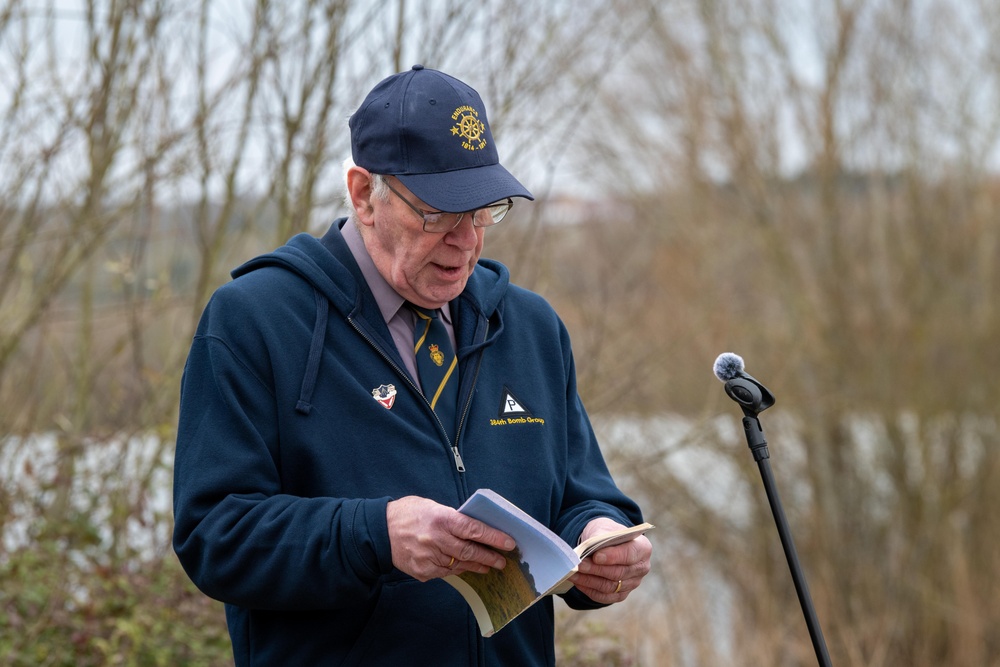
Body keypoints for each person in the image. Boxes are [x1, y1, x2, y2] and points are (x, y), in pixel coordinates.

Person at [172, 64, 652, 666]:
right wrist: (376, 537)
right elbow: (214, 536)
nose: (465, 240)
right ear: (363, 194)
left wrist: (603, 538)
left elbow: (581, 495)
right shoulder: (253, 322)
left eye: (483, 210)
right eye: (437, 213)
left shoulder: (531, 328)